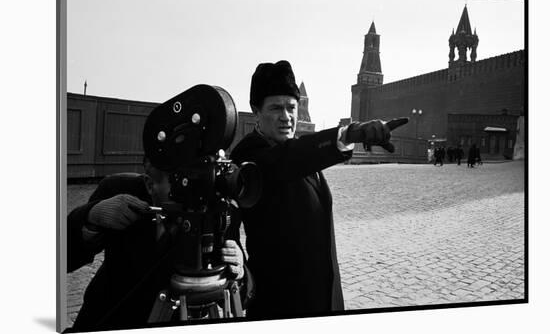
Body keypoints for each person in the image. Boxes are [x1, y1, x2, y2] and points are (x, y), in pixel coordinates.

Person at [230, 60, 407, 319]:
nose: (286, 116)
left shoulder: (301, 150)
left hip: (323, 296)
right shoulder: (250, 155)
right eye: (276, 108)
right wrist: (350, 134)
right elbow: (286, 161)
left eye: (291, 107)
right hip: (281, 301)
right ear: (256, 111)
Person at [67, 152, 250, 330]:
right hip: (110, 319)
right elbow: (64, 260)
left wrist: (239, 273)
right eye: (181, 182)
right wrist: (90, 219)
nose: (193, 195)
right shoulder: (118, 190)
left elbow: (242, 295)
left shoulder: (218, 209)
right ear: (149, 184)